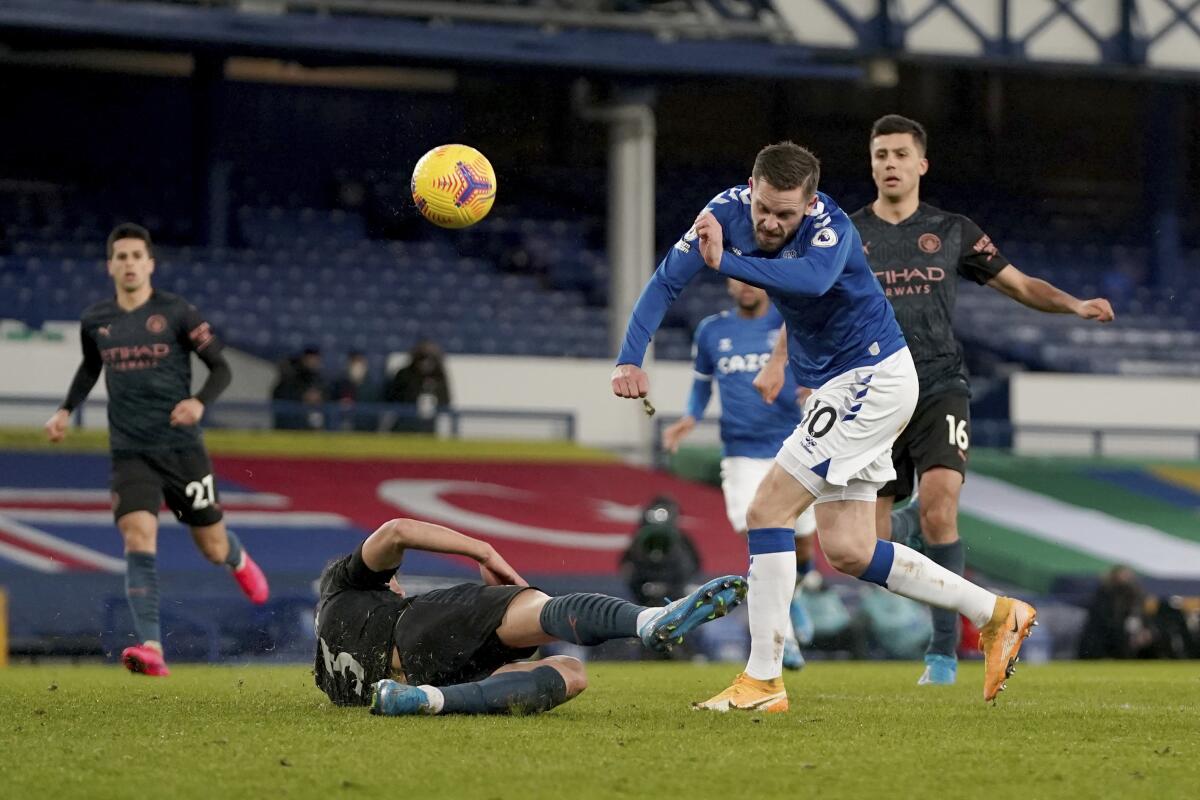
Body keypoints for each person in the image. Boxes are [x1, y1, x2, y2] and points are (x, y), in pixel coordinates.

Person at [611, 142, 1036, 710]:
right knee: (851, 549)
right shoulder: (724, 213)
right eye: (764, 208)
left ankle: (762, 681)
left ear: (808, 203)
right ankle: (997, 614)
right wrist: (629, 358)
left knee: (767, 510)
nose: (770, 222)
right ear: (751, 186)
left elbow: (809, 282)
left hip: (872, 377)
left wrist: (725, 263)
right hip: (846, 386)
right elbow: (666, 280)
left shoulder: (830, 227)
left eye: (785, 213)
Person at [759, 115, 1114, 686]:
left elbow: (1019, 285)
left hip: (939, 385)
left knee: (940, 505)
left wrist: (1073, 304)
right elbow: (805, 302)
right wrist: (781, 361)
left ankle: (945, 652)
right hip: (867, 395)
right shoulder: (842, 231)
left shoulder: (952, 230)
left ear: (921, 163)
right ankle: (909, 532)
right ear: (871, 164)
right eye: (880, 155)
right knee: (861, 550)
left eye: (900, 154)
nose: (889, 164)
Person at [44, 223, 269, 677]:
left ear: (150, 263)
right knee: (137, 538)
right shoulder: (96, 320)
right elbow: (91, 366)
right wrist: (66, 409)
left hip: (182, 451)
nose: (128, 264)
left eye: (136, 256)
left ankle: (237, 557)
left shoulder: (177, 313)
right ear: (110, 265)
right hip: (130, 452)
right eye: (120, 257)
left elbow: (221, 368)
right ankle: (151, 647)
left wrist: (198, 403)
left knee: (211, 545)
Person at [314, 517, 747, 715]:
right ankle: (646, 621)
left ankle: (425, 702)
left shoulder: (330, 672)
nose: (398, 584)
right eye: (393, 580)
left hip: (420, 677)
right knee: (537, 608)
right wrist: (484, 551)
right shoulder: (345, 584)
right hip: (412, 628)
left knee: (571, 670)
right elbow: (396, 531)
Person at [661, 278, 817, 669]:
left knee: (802, 545)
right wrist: (688, 419)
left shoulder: (787, 325)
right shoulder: (713, 330)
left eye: (753, 280)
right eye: (737, 278)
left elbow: (814, 365)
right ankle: (786, 637)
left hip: (792, 448)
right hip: (741, 453)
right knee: (762, 535)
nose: (745, 286)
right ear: (728, 283)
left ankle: (792, 598)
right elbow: (701, 385)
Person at [386, 340, 451, 433]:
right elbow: (392, 397)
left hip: (428, 425)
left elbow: (446, 400)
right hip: (405, 423)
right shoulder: (404, 374)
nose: (425, 363)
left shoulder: (439, 376)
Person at [270, 345, 326, 430]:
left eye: (316, 359)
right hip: (289, 429)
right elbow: (280, 400)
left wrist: (319, 398)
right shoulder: (290, 377)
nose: (314, 361)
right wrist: (302, 397)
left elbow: (327, 400)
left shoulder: (319, 380)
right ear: (304, 358)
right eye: (311, 358)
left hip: (311, 430)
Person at [330, 350, 381, 431]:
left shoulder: (372, 388)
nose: (357, 365)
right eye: (354, 361)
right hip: (341, 428)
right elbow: (331, 406)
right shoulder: (339, 384)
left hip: (366, 429)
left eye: (360, 361)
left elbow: (376, 411)